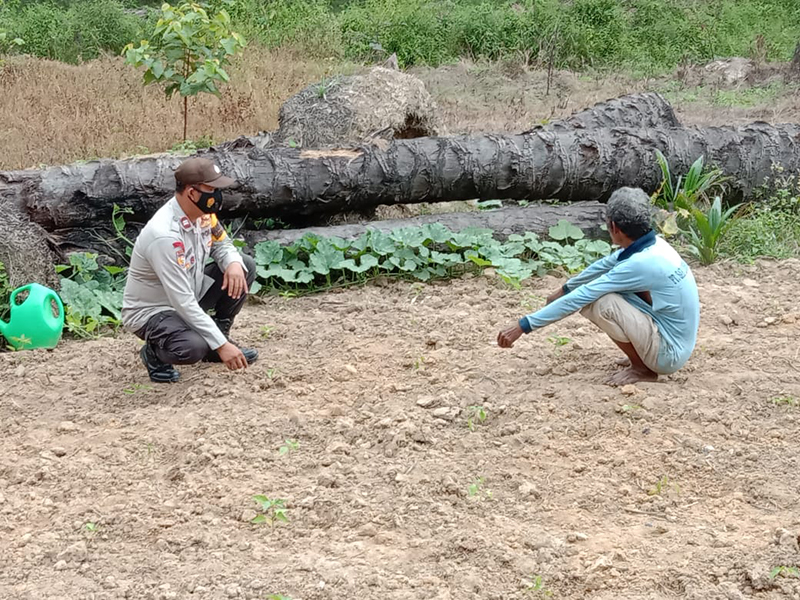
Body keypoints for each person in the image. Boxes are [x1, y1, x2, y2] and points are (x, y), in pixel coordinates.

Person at [497, 187, 700, 386]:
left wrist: (523, 326)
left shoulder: (639, 264)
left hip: (669, 354)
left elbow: (584, 295)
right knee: (611, 292)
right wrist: (563, 290)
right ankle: (641, 354)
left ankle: (642, 368)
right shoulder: (656, 246)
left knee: (600, 302)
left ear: (614, 227)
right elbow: (605, 264)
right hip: (677, 340)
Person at [122, 157, 258, 383]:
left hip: (188, 293)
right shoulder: (164, 236)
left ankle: (218, 338)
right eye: (211, 189)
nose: (216, 195)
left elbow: (222, 243)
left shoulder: (203, 215)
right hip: (154, 311)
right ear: (191, 192)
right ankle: (154, 354)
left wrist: (232, 262)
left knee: (245, 266)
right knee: (192, 347)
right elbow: (181, 301)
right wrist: (223, 347)